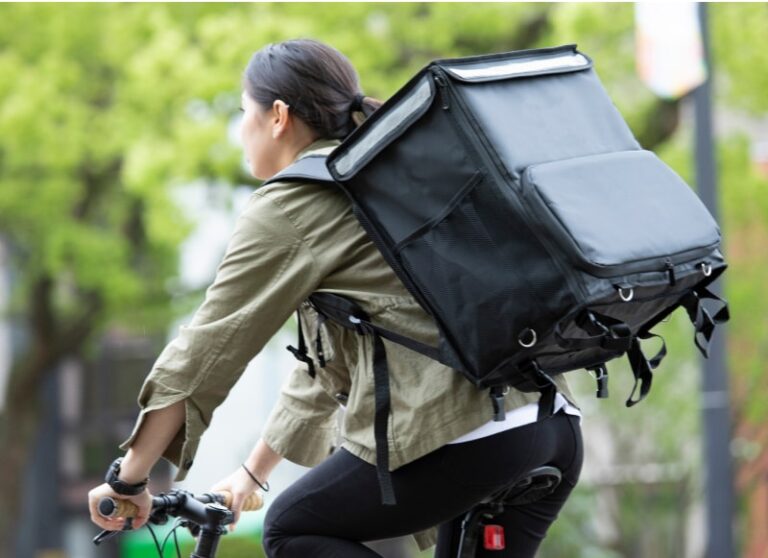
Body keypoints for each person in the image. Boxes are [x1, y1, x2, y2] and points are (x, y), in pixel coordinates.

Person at [87, 38, 583, 558]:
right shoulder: (383, 179)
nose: (241, 131)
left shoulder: (294, 202)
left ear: (278, 116)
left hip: (465, 435)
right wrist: (251, 474)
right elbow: (327, 369)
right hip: (550, 423)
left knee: (293, 529)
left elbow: (207, 350)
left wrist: (128, 480)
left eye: (243, 112)